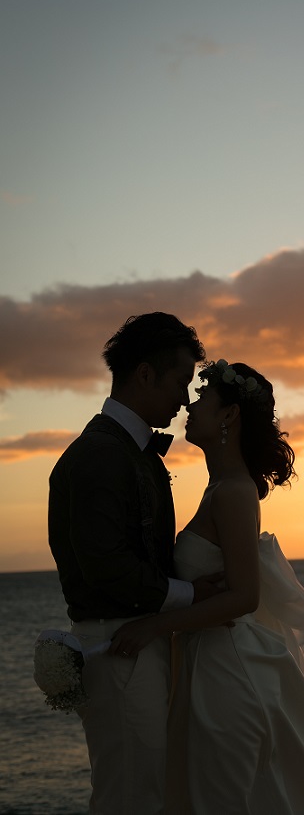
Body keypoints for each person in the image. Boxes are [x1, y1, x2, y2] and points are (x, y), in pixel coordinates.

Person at [110, 358, 304, 814]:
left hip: (227, 667)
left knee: (223, 801)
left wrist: (152, 627)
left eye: (203, 397)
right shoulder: (220, 487)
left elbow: (245, 597)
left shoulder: (234, 491)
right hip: (206, 660)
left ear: (229, 414)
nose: (189, 405)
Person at [48, 312, 207, 815]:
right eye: (180, 381)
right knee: (131, 798)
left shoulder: (127, 452)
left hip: (135, 645)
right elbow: (106, 565)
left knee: (144, 792)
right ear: (144, 374)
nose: (185, 399)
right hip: (119, 649)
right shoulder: (100, 454)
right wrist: (193, 596)